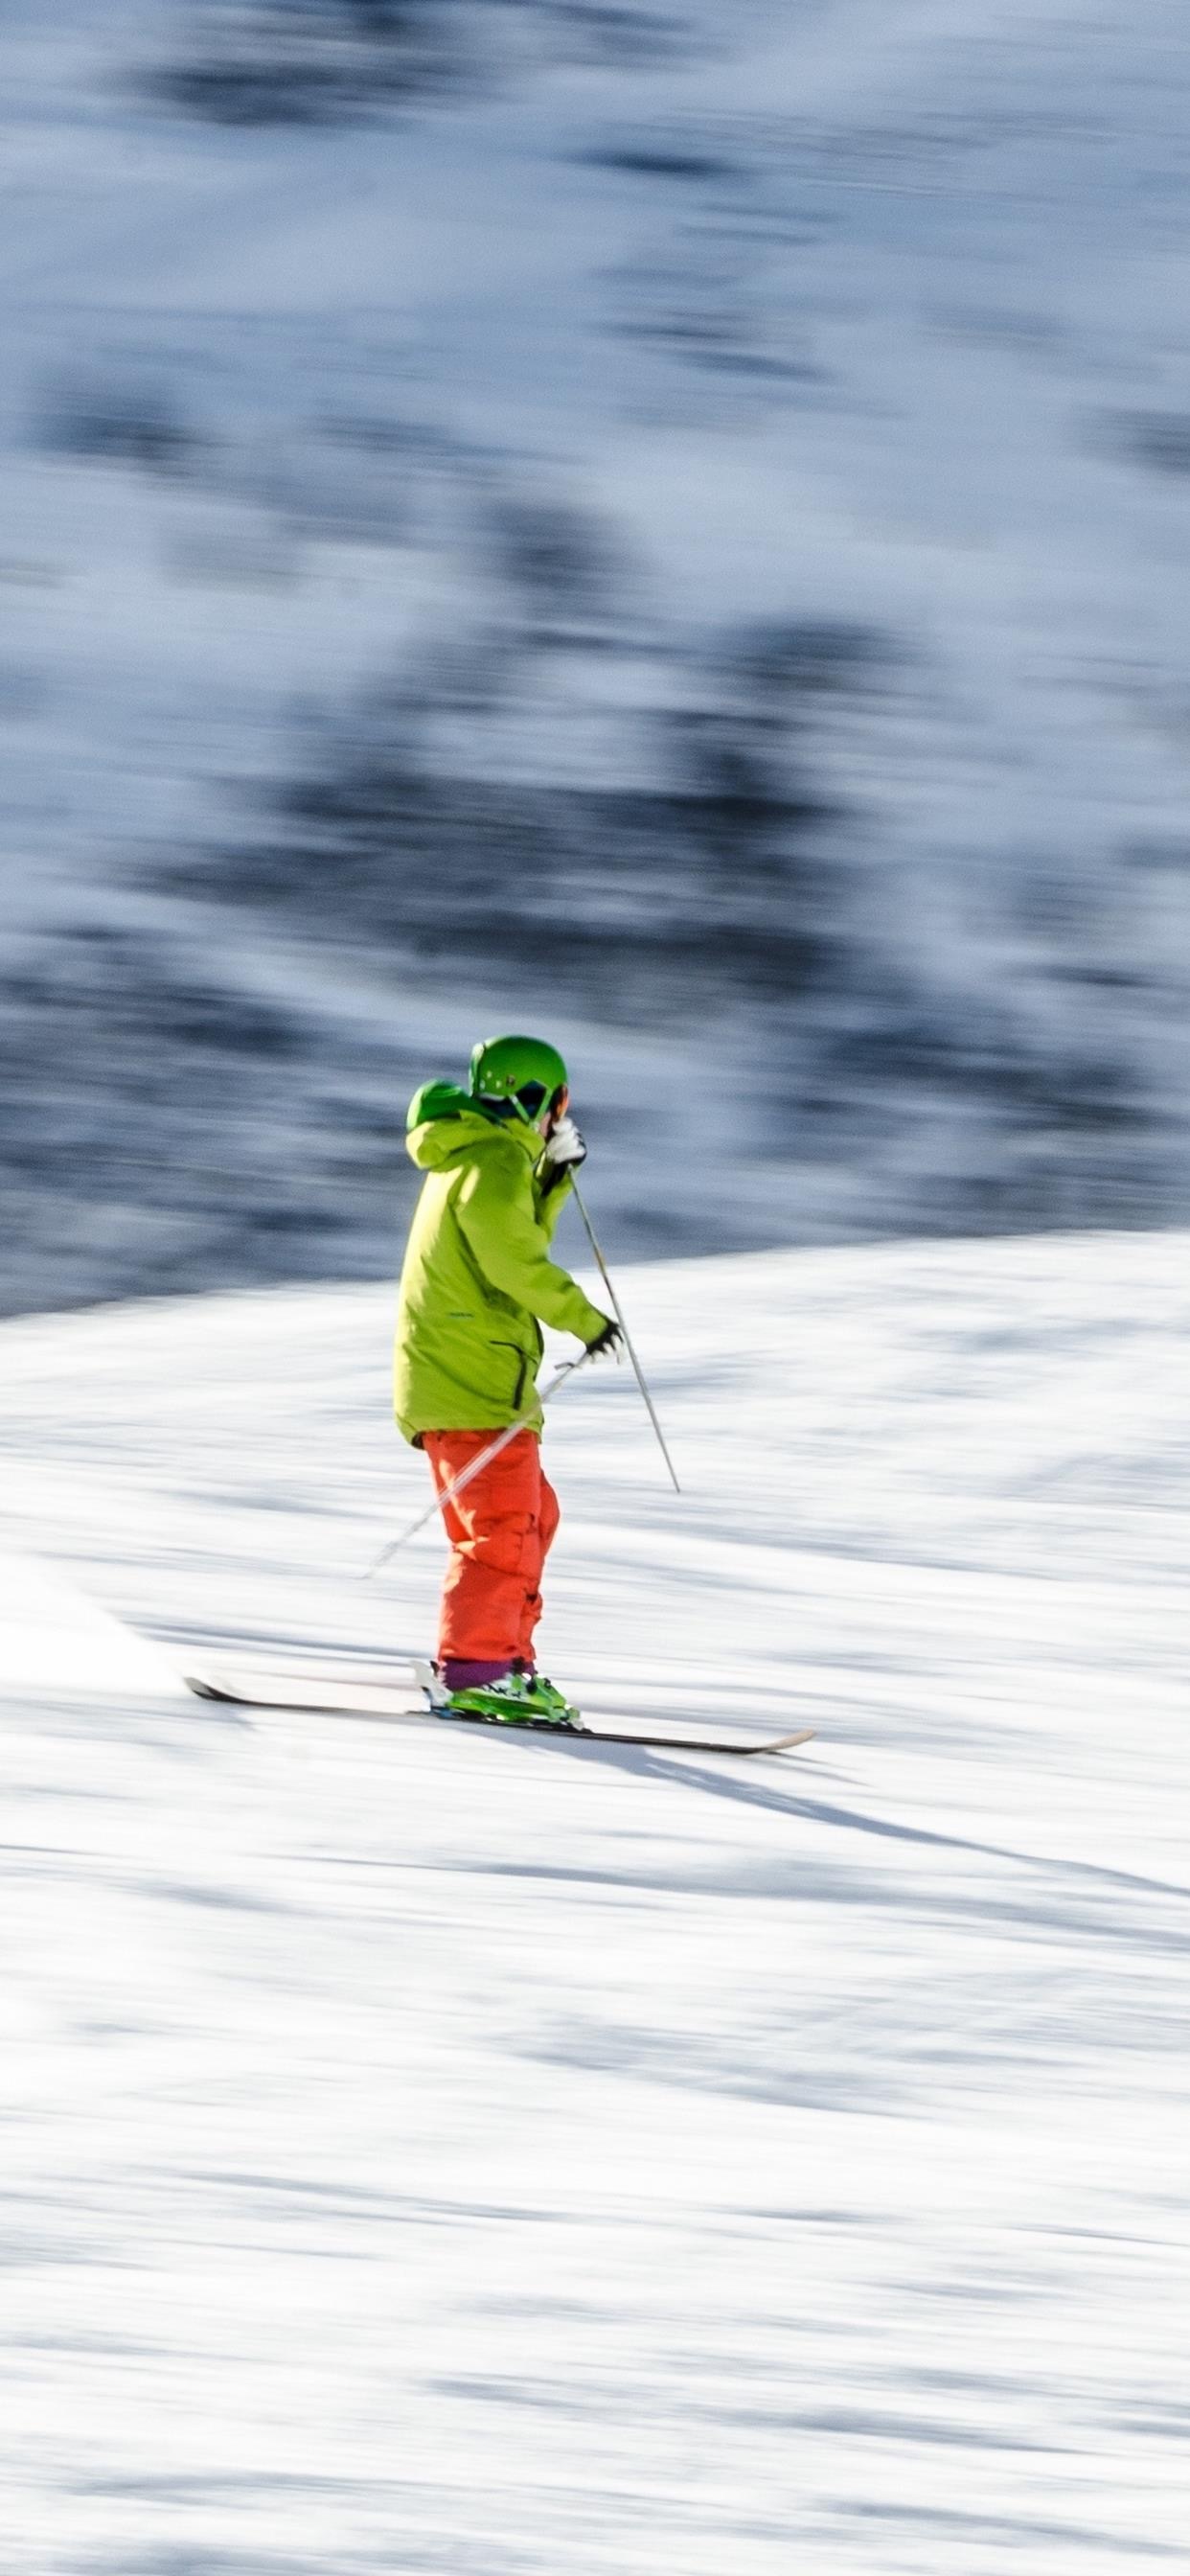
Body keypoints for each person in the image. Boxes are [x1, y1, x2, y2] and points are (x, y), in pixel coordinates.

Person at [394, 1034, 620, 1725]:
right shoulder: (491, 1163)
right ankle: (477, 1670)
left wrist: (550, 1181)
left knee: (531, 1516)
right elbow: (514, 1263)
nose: (560, 1118)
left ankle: (503, 1661)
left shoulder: (482, 1157)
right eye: (557, 1105)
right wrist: (584, 1320)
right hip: (473, 1378)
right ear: (536, 1099)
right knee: (502, 1528)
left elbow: (512, 1237)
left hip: (468, 1376)